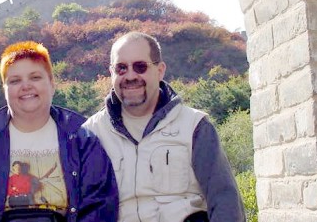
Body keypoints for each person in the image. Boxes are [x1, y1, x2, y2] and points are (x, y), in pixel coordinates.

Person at [0, 41, 118, 222]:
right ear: (5, 89)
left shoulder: (83, 140)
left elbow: (100, 206)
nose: (26, 86)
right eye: (15, 80)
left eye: (35, 77)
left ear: (52, 84)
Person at [83, 31, 246, 222]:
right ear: (111, 72)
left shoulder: (195, 126)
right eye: (121, 68)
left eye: (140, 66)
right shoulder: (91, 134)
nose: (130, 76)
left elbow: (225, 201)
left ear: (160, 70)